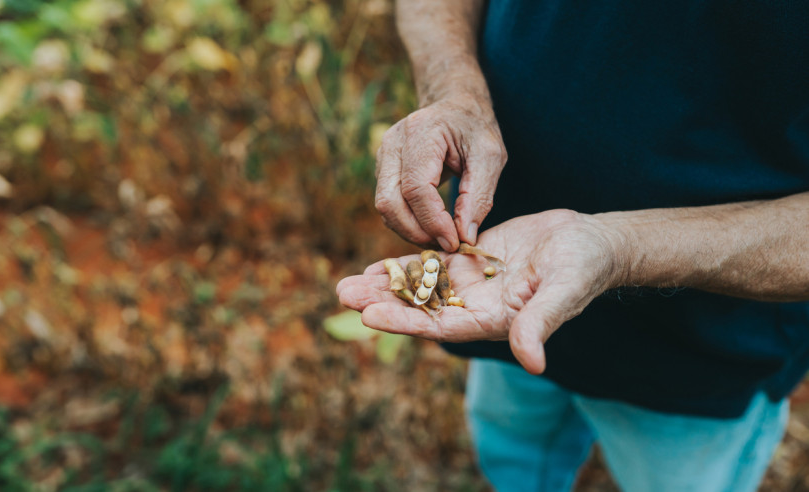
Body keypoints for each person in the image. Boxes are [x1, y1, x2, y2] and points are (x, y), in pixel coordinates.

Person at [337, 1, 809, 490]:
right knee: (513, 460)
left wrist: (620, 248)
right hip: (502, 303)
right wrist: (454, 92)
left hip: (702, 359)